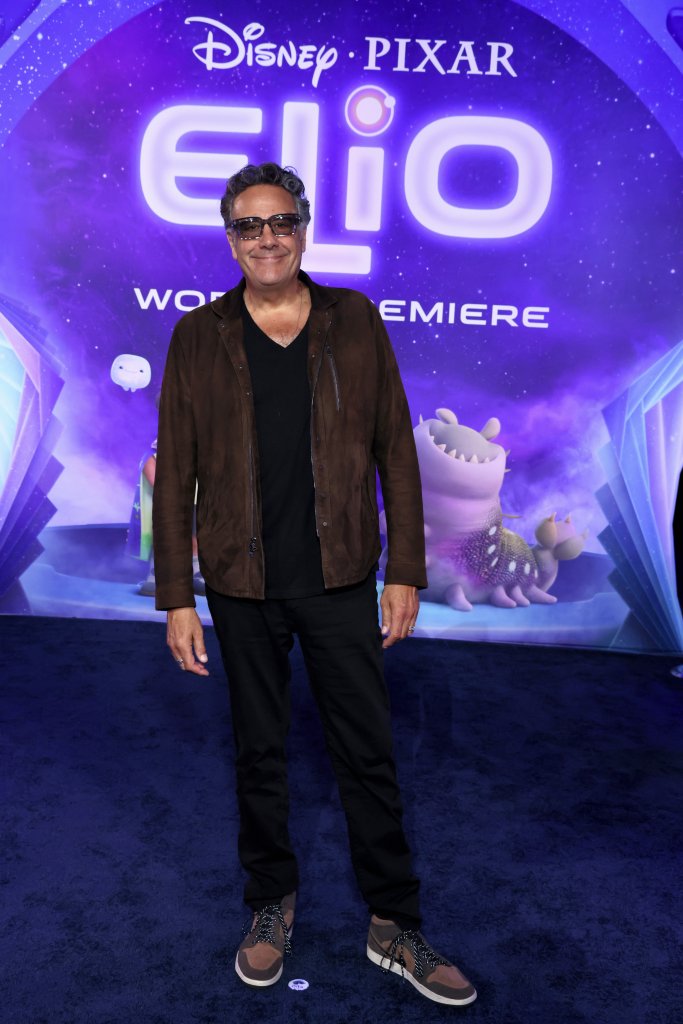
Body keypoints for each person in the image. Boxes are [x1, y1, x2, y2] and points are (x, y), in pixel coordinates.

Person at [153, 162, 476, 1006]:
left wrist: (405, 571)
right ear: (229, 238)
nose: (266, 238)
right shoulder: (197, 335)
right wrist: (177, 596)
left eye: (281, 222)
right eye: (248, 225)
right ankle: (270, 903)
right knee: (258, 752)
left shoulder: (354, 319)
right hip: (239, 582)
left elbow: (394, 449)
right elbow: (175, 471)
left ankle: (392, 923)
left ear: (302, 229)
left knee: (366, 754)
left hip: (339, 579)